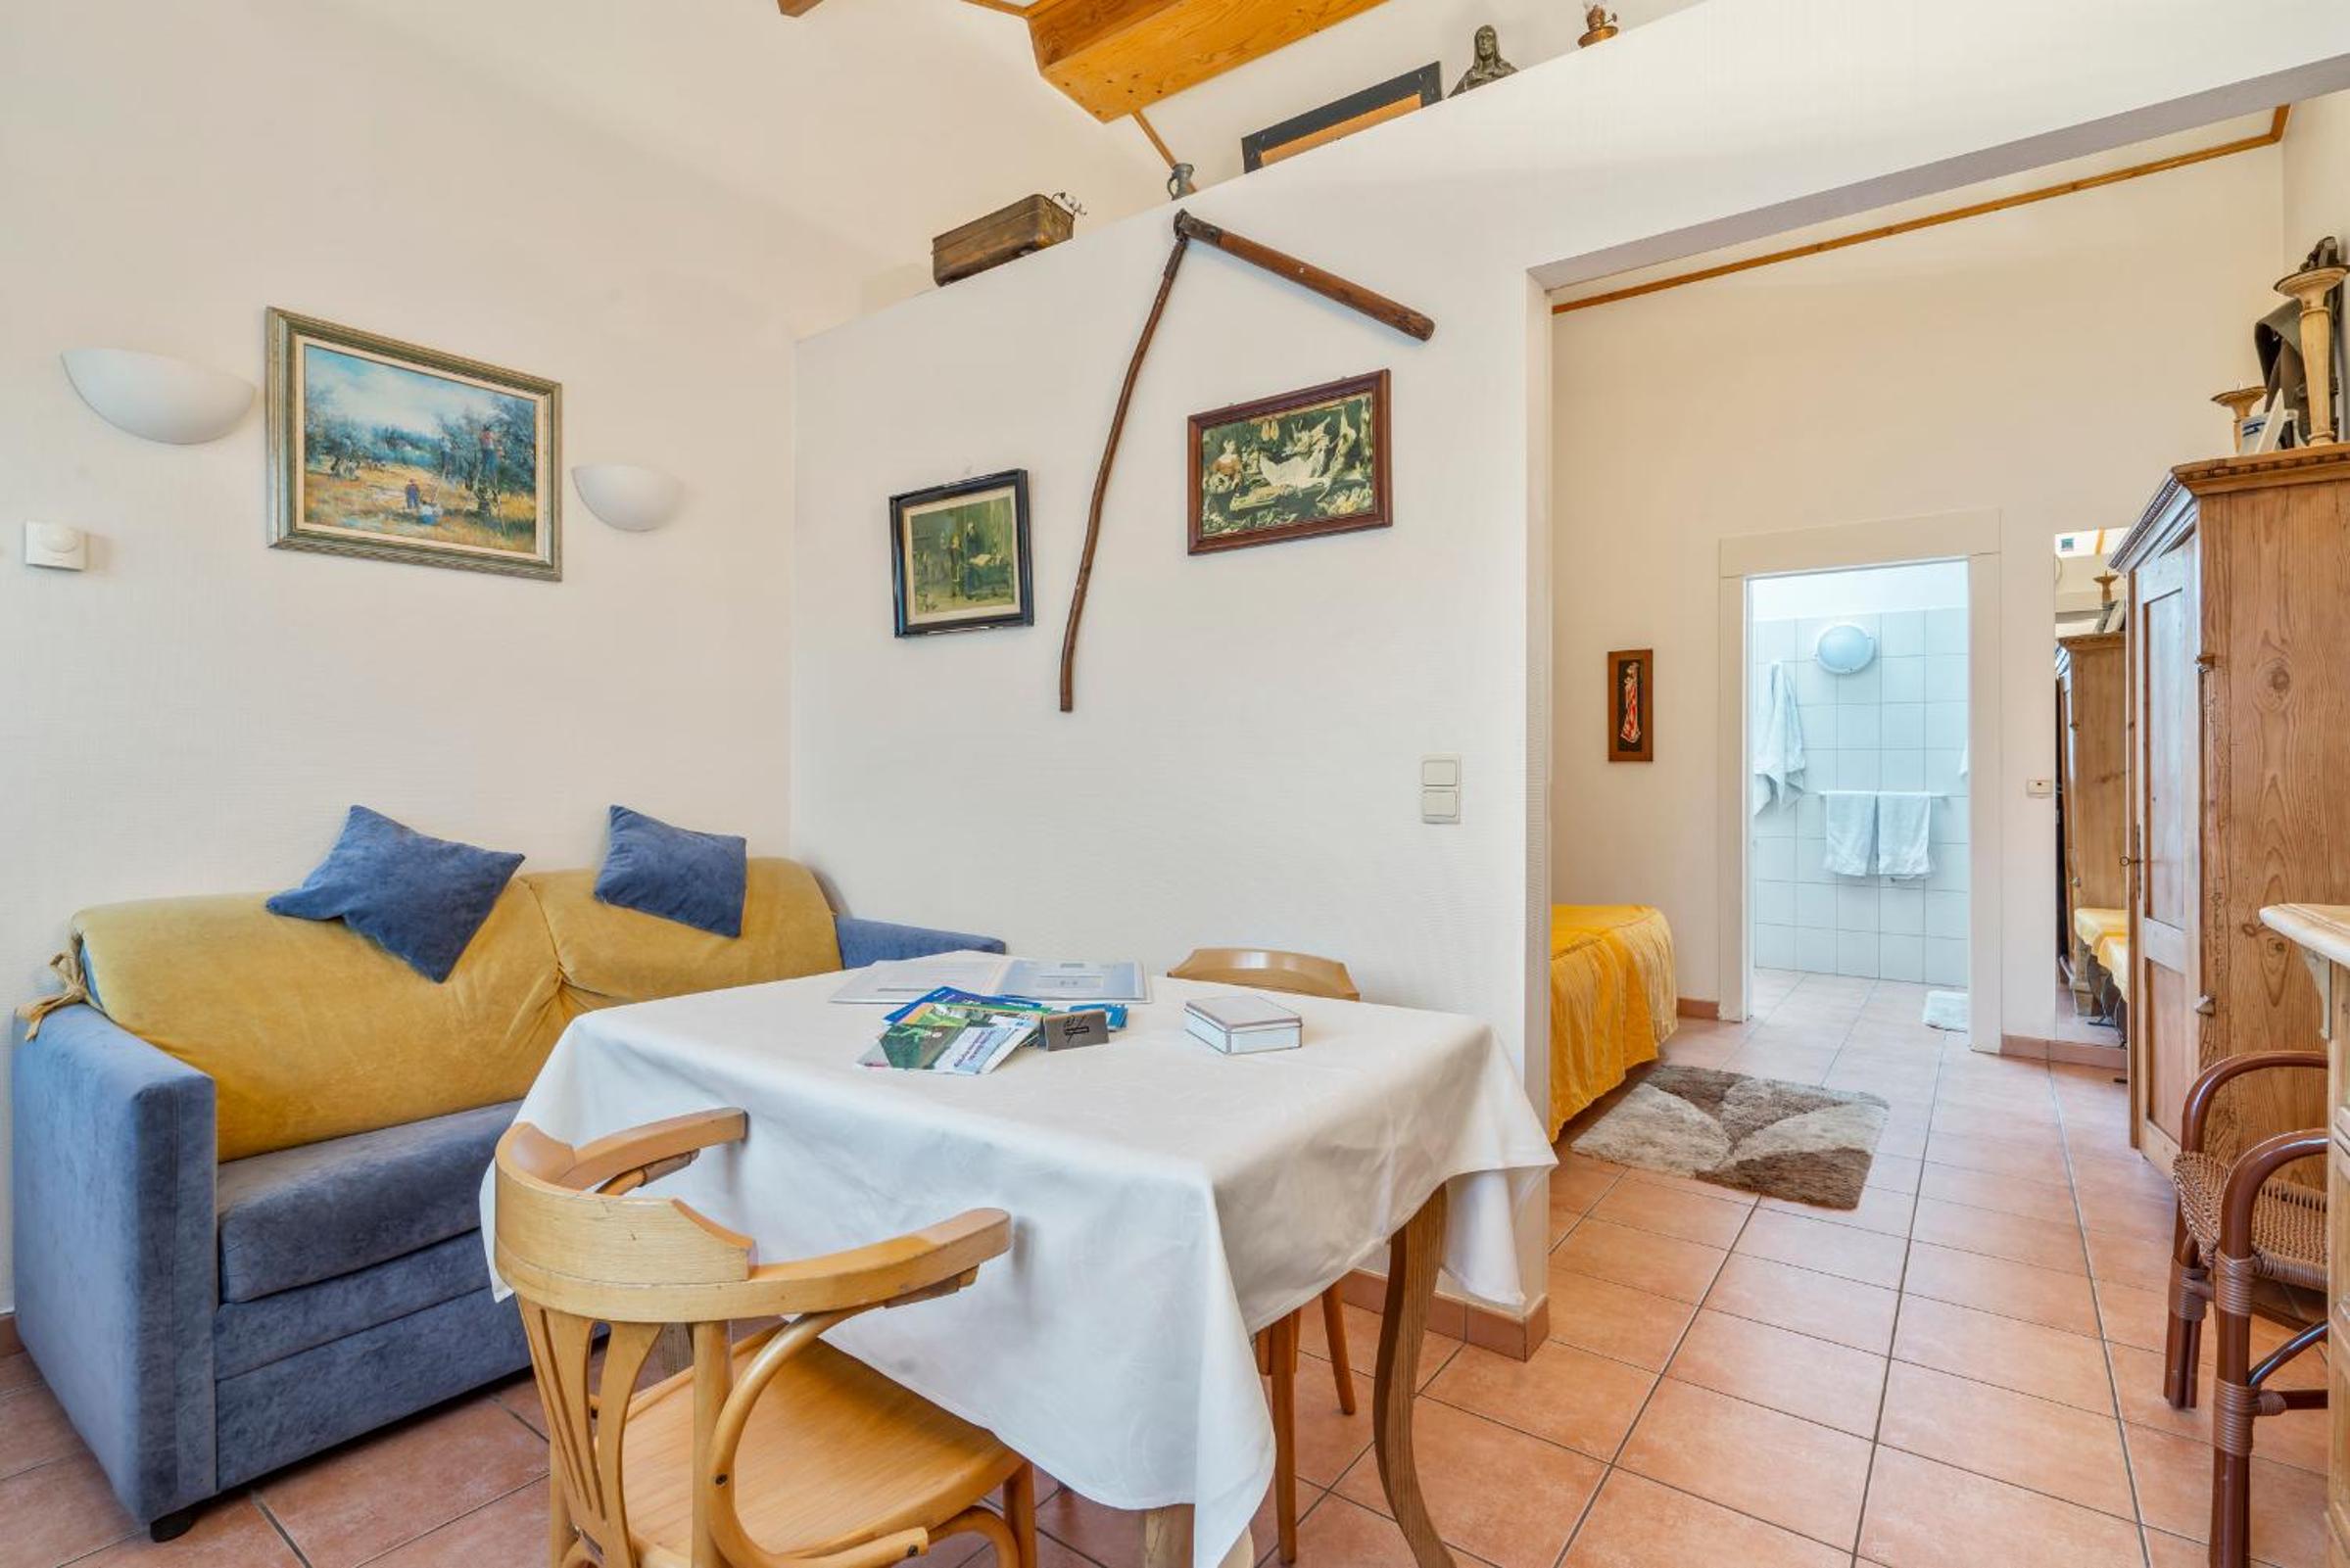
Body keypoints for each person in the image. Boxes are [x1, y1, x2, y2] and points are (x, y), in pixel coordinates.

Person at [1451, 24, 1516, 95]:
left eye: (1488, 38)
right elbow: (1451, 99)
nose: (1484, 42)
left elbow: (1520, 83)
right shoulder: (1469, 78)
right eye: (1481, 38)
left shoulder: (1506, 70)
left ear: (1494, 44)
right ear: (1477, 45)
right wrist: (1466, 86)